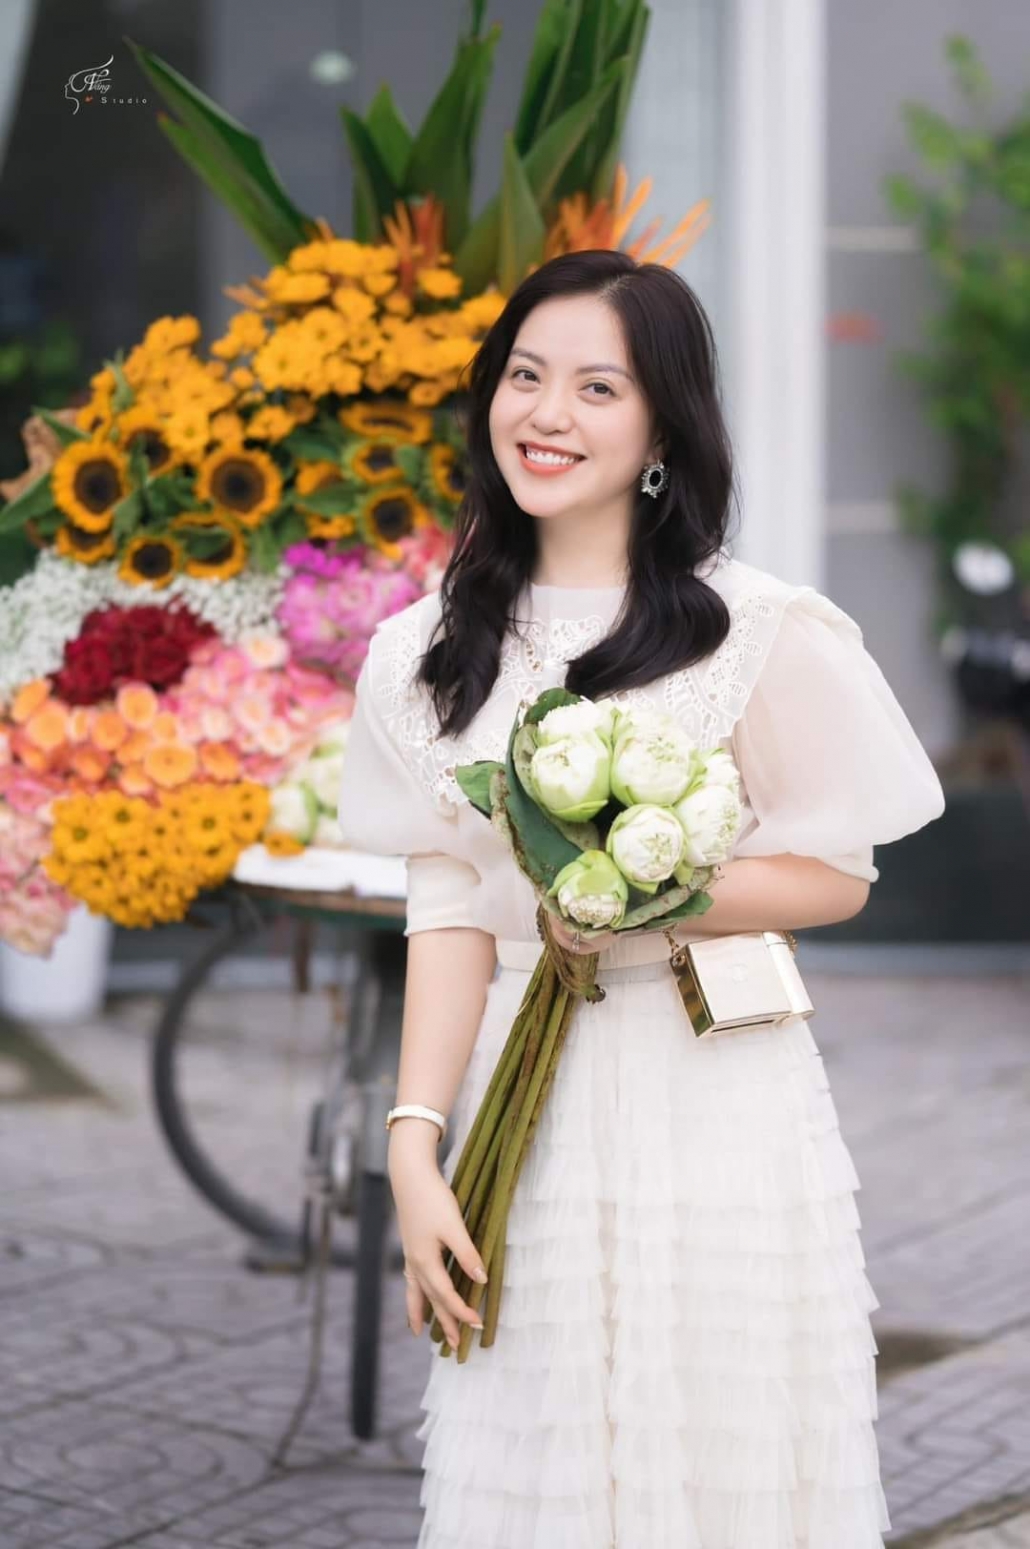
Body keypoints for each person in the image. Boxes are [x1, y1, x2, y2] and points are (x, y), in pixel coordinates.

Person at [335, 249, 945, 1548]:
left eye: (595, 386)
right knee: (533, 1445)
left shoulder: (756, 629)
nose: (545, 414)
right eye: (524, 376)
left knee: (725, 1462)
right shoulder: (422, 653)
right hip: (522, 1099)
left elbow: (834, 874)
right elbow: (448, 909)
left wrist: (637, 896)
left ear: (662, 425)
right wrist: (411, 1137)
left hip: (713, 1097)